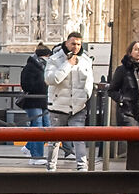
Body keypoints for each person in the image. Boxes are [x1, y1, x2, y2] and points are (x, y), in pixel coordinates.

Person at [43, 29, 94, 172]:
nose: (76, 47)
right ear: (67, 43)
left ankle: (82, 166)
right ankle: (51, 167)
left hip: (78, 106)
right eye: (73, 44)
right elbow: (51, 79)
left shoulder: (86, 60)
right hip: (58, 106)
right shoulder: (55, 59)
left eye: (78, 44)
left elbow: (89, 81)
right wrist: (68, 64)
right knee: (54, 139)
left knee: (79, 137)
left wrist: (85, 96)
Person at [19, 41, 50, 165]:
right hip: (33, 101)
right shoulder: (30, 67)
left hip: (43, 101)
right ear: (44, 56)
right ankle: (36, 157)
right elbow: (26, 85)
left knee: (47, 127)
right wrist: (43, 85)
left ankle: (28, 147)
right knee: (38, 127)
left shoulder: (44, 67)